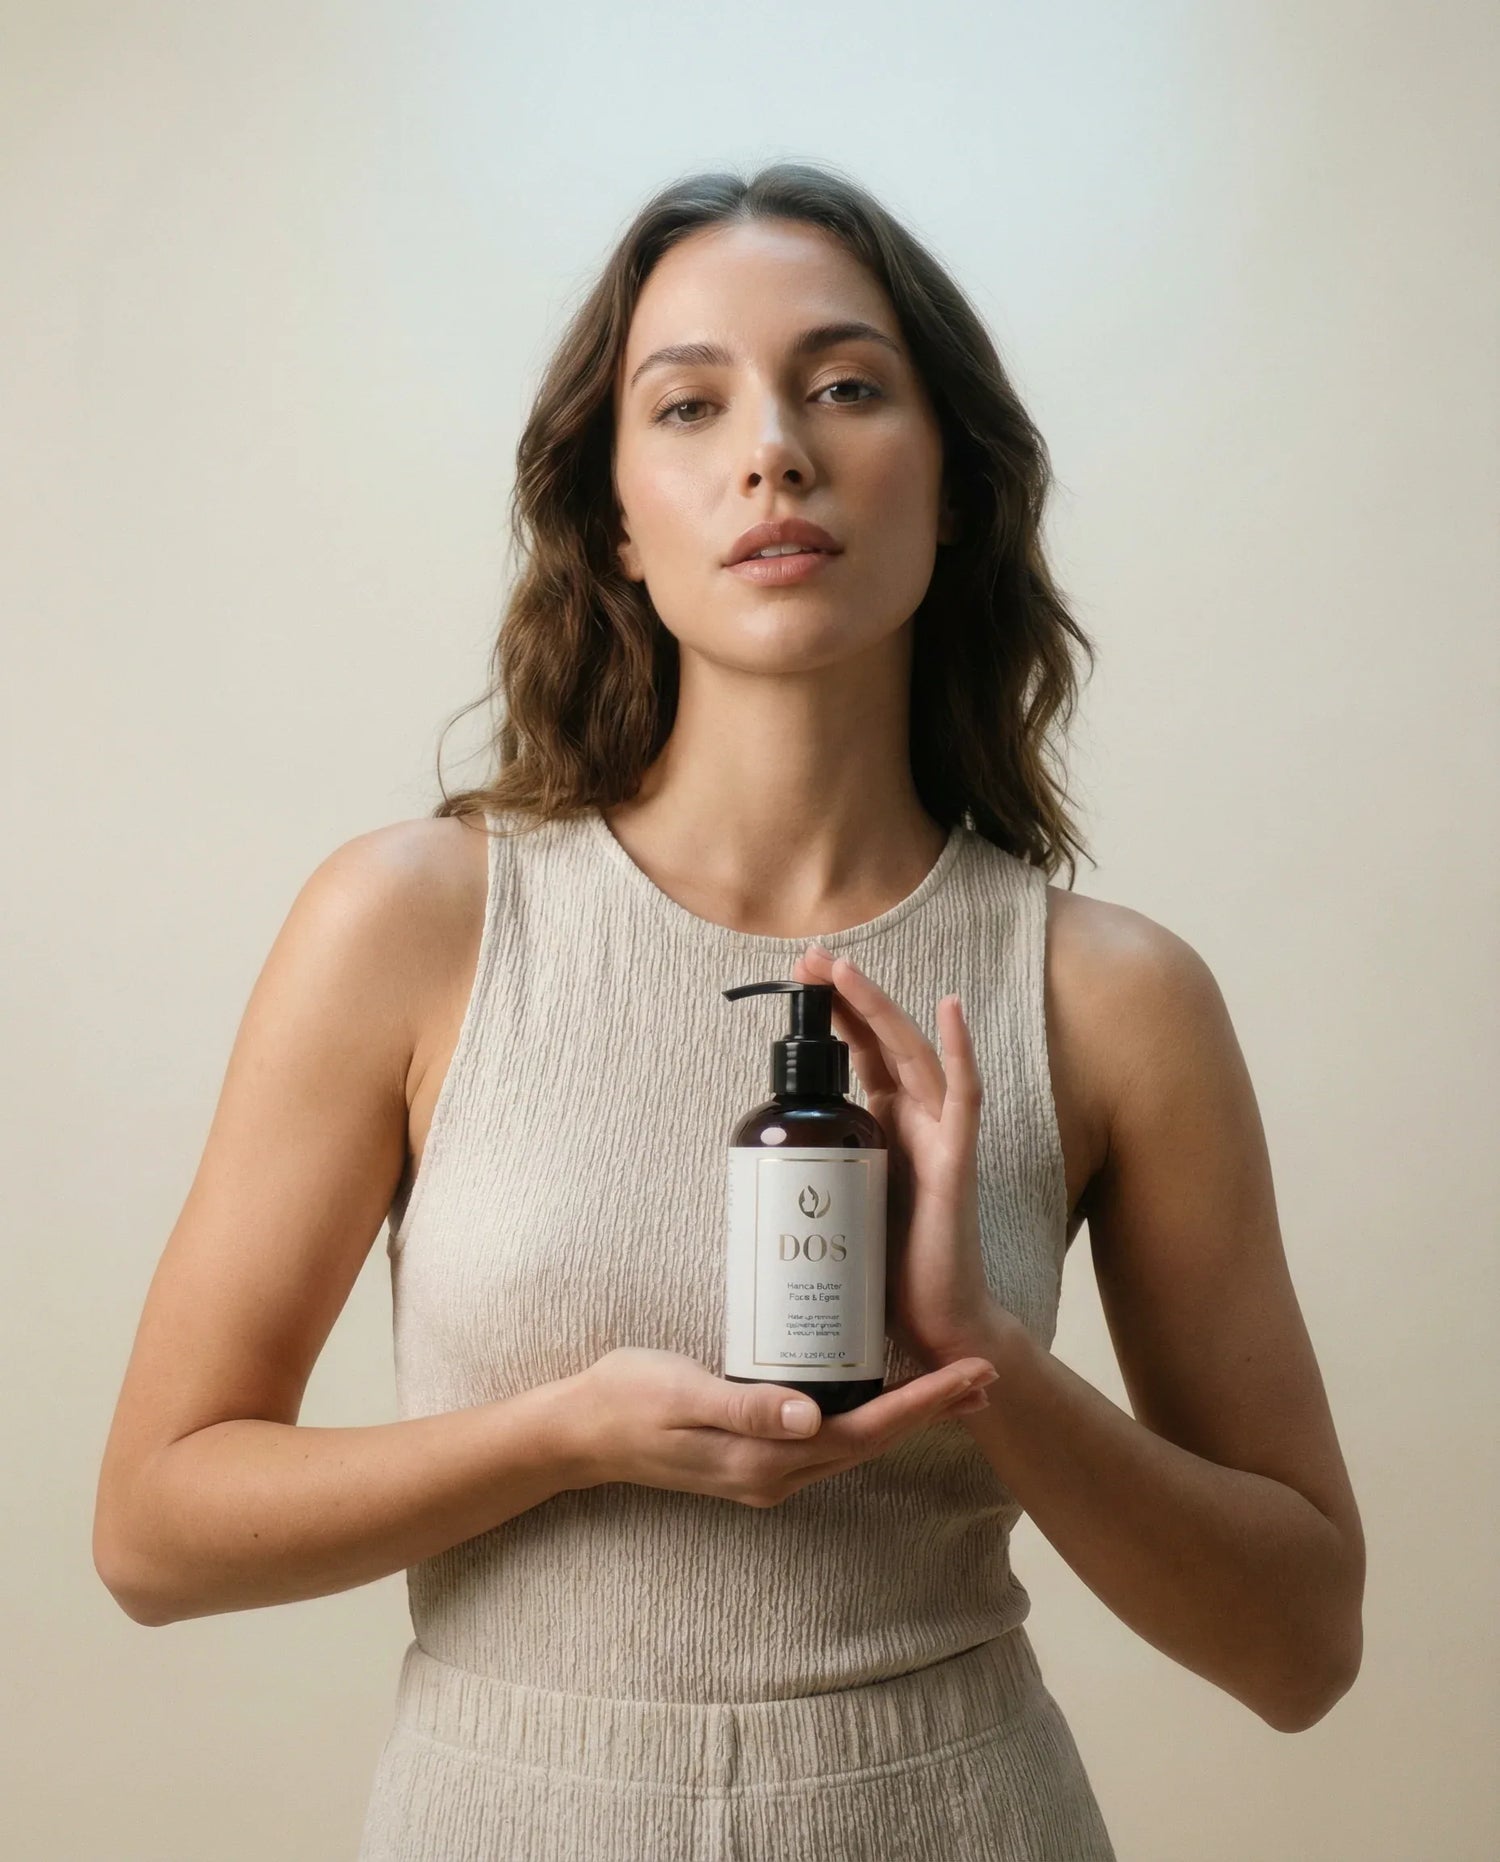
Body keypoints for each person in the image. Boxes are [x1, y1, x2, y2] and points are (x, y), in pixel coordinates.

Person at [93, 160, 1365, 1860]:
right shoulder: (412, 923)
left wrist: (986, 1355)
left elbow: (1300, 1647)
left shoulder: (1110, 996)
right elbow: (154, 1529)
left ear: (959, 483)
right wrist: (565, 1434)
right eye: (689, 404)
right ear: (616, 513)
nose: (776, 446)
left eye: (846, 386)